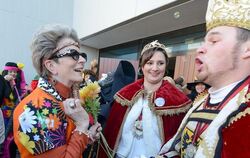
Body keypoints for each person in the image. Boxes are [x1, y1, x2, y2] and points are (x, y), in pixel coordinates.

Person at [159, 0, 250, 157]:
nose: (200, 49)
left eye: (214, 41)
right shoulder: (201, 101)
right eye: (204, 42)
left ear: (247, 49)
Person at [13, 24, 102, 158]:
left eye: (82, 55)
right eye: (74, 54)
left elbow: (65, 146)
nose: (83, 60)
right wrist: (82, 127)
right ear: (51, 65)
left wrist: (86, 137)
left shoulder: (63, 98)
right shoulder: (35, 108)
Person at [98, 40, 191, 158]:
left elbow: (178, 144)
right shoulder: (124, 95)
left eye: (160, 63)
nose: (155, 68)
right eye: (149, 63)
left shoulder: (178, 101)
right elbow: (111, 134)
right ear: (142, 66)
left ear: (166, 66)